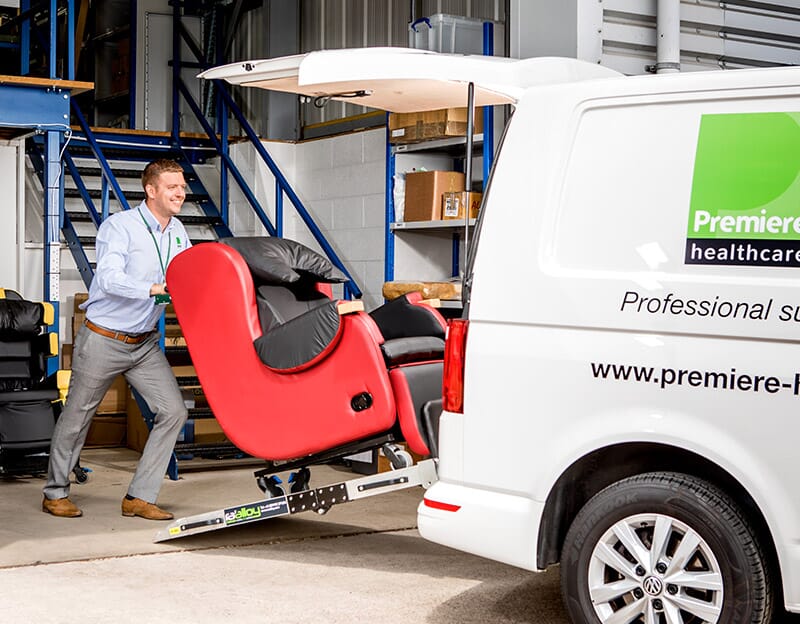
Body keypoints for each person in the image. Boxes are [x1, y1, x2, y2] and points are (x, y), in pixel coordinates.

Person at [42, 159, 192, 520]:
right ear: (151, 190)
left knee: (174, 411)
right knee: (78, 416)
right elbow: (108, 279)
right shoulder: (120, 227)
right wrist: (153, 288)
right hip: (104, 338)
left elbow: (188, 273)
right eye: (172, 186)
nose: (181, 193)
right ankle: (55, 493)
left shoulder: (178, 232)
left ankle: (139, 496)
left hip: (142, 344)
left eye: (183, 186)